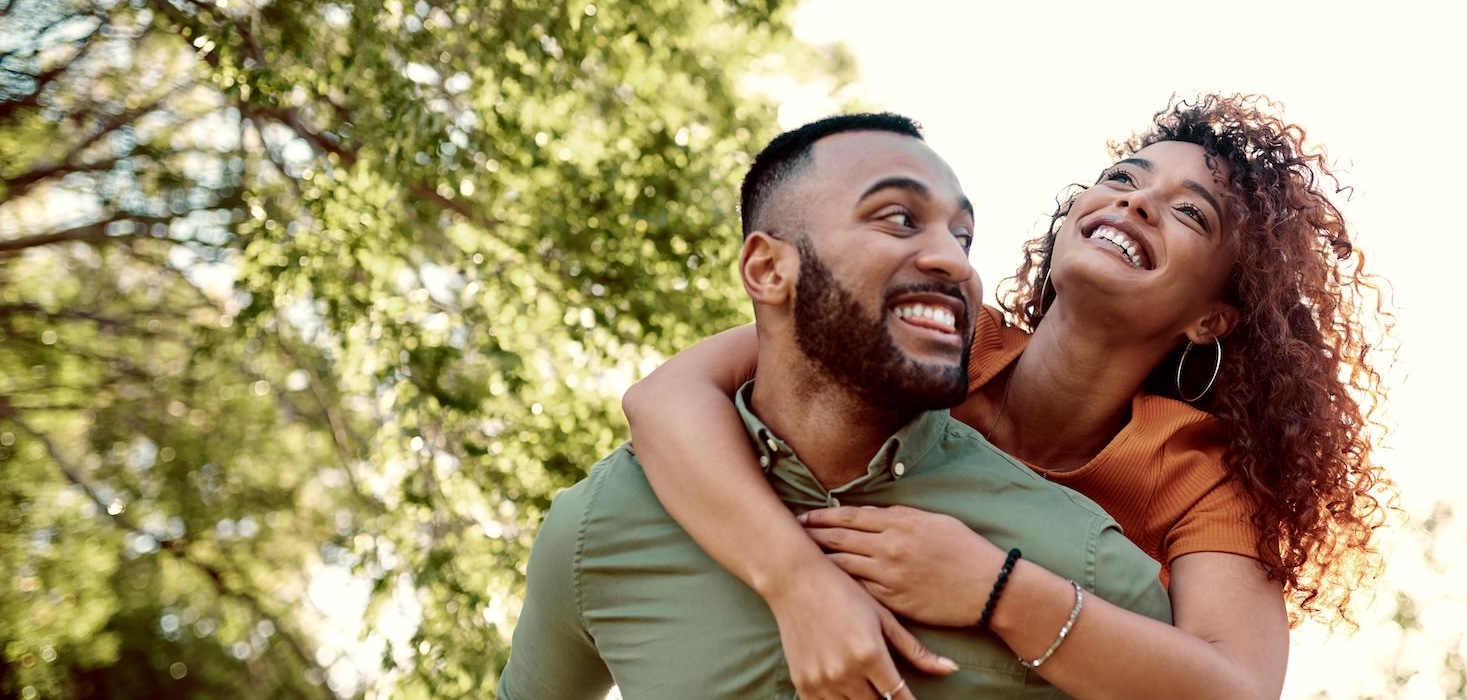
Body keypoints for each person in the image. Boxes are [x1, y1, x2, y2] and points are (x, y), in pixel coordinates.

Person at [623, 93, 1394, 700]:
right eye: (1124, 177)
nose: (1134, 203)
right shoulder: (939, 332)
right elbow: (665, 399)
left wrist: (995, 588)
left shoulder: (1196, 472)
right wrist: (798, 584)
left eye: (1190, 212)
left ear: (1210, 318)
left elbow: (1237, 692)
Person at [498, 113, 1172, 700]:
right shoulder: (601, 528)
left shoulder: (1086, 567)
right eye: (899, 218)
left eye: (962, 237)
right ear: (767, 271)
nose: (954, 262)